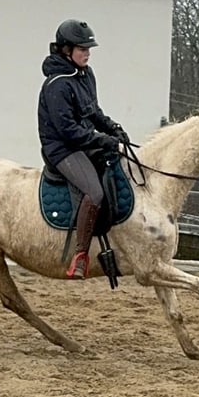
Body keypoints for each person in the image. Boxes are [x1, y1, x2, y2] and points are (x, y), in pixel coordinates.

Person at [37, 19, 130, 279]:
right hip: (62, 149)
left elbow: (93, 112)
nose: (87, 53)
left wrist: (113, 128)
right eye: (82, 49)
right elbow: (67, 131)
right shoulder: (58, 84)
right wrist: (101, 139)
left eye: (89, 49)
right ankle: (80, 255)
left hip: (83, 141)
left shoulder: (85, 75)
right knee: (94, 191)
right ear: (66, 50)